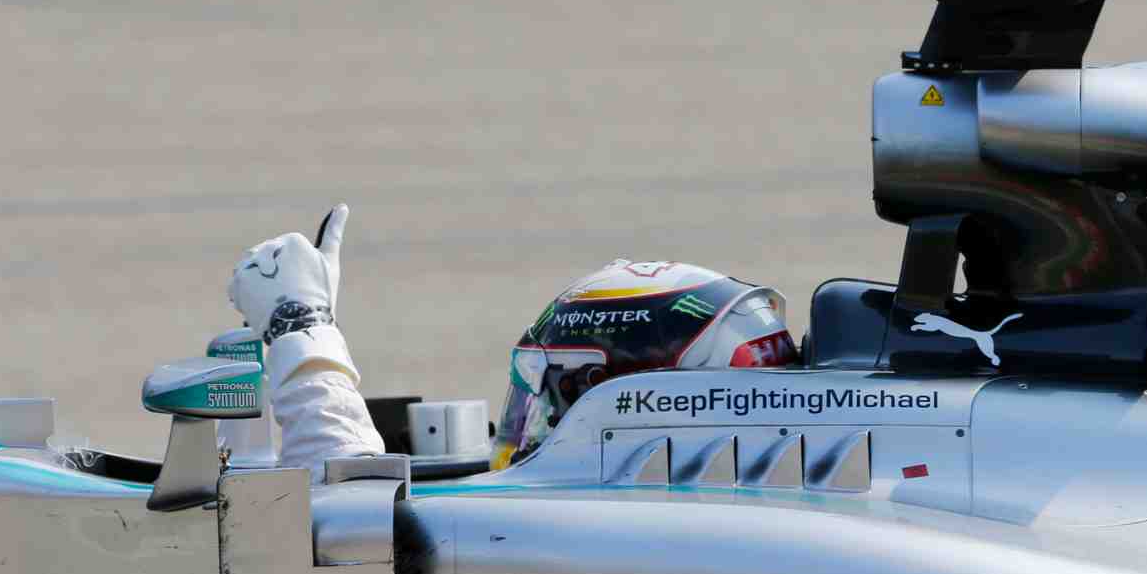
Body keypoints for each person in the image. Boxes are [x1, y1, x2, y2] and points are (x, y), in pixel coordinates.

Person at [228, 206, 798, 472]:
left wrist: (300, 332)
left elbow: (341, 526)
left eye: (558, 397)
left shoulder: (629, 533)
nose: (535, 419)